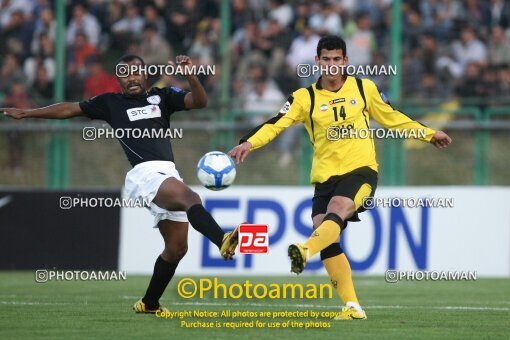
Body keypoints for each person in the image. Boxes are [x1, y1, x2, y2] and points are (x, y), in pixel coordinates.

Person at [229, 35, 452, 320]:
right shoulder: (304, 98)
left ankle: (304, 250)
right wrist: (249, 142)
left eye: (337, 60)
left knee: (336, 210)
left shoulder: (364, 88)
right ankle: (352, 307)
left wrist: (429, 133)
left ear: (345, 61)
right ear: (317, 62)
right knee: (326, 235)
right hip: (324, 178)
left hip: (361, 171)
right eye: (327, 60)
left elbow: (392, 117)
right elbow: (275, 124)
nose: (332, 65)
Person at [2, 54, 240, 314]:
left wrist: (191, 77)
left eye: (136, 71)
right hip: (144, 174)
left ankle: (149, 304)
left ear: (145, 75)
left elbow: (199, 102)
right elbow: (70, 108)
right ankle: (223, 239)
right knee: (192, 199)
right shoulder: (110, 103)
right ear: (119, 80)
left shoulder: (162, 97)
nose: (131, 77)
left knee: (176, 248)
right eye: (125, 73)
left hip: (168, 173)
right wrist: (28, 113)